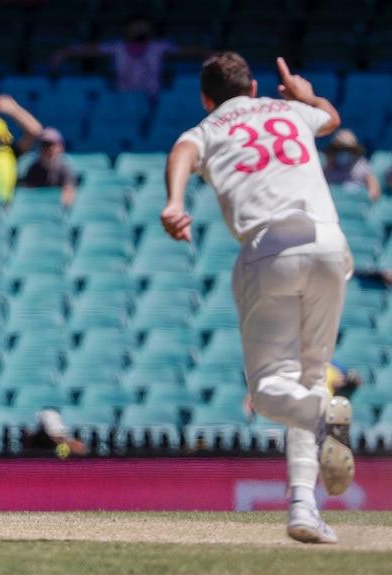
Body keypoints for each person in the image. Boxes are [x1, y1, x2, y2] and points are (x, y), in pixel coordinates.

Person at [160, 52, 354, 544]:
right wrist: (303, 94)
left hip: (268, 249)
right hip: (330, 242)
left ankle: (319, 417)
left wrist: (175, 201)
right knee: (311, 380)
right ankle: (302, 508)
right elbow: (330, 117)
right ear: (253, 88)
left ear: (206, 98)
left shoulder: (208, 127)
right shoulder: (287, 110)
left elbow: (182, 151)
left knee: (271, 392)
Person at [49, 16, 209, 102]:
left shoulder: (159, 47)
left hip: (152, 100)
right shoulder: (117, 47)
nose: (139, 30)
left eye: (143, 26)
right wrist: (64, 53)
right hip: (124, 100)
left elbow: (187, 51)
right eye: (135, 26)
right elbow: (90, 50)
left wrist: (208, 52)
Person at [20, 126, 78, 208]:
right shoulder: (33, 168)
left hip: (56, 210)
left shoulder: (65, 170)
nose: (48, 149)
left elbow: (68, 198)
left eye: (51, 145)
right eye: (44, 145)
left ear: (60, 147)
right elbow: (27, 194)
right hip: (36, 208)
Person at [322, 128, 381, 202]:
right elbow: (320, 184)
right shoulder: (329, 166)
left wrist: (366, 201)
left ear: (353, 151)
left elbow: (373, 187)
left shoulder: (360, 166)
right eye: (339, 149)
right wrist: (329, 164)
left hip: (354, 205)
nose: (343, 152)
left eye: (347, 149)